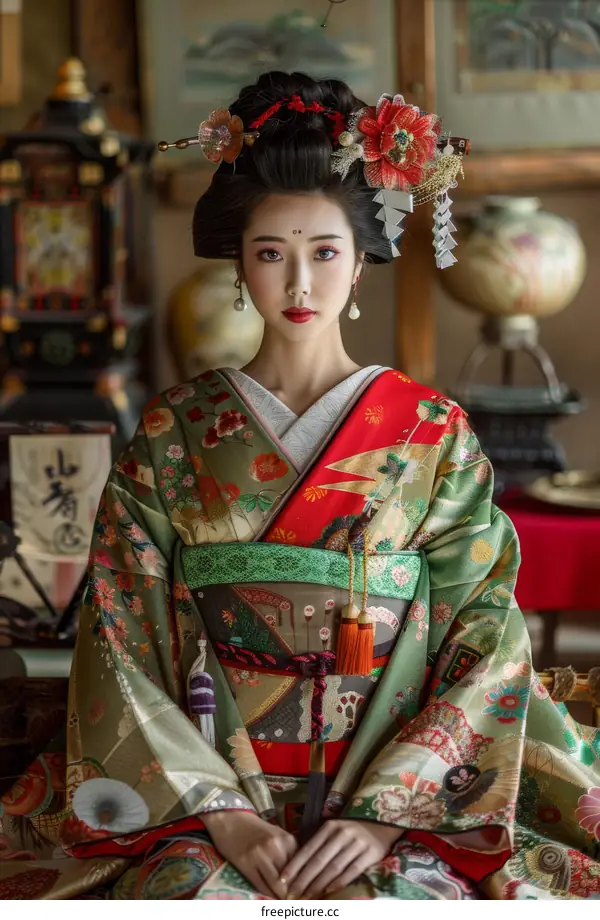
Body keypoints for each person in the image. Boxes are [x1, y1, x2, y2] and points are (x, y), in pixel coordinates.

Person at [1, 70, 599, 902]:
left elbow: (482, 629)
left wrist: (387, 814)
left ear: (360, 266)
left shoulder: (431, 431)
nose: (299, 284)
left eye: (324, 252)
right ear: (240, 266)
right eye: (270, 254)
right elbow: (122, 634)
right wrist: (222, 814)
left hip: (393, 800)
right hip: (203, 802)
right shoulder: (175, 431)